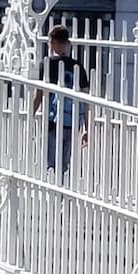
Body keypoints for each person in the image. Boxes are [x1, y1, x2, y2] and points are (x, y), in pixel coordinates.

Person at [32, 25, 90, 178]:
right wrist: (87, 127)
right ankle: (62, 189)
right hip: (72, 121)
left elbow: (39, 94)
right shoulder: (78, 66)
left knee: (50, 161)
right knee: (65, 162)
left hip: (53, 120)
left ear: (52, 43)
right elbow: (86, 100)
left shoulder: (47, 64)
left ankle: (53, 193)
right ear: (67, 43)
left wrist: (29, 113)